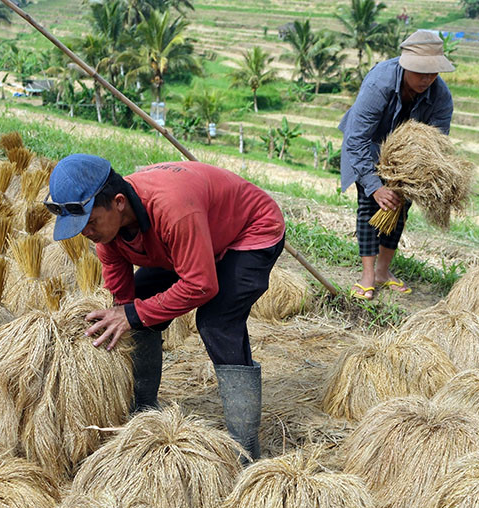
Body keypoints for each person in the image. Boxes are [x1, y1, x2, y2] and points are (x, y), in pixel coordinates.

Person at [45, 155, 286, 462]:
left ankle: (245, 446)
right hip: (195, 237)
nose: (87, 233)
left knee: (217, 321)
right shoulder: (109, 236)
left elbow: (201, 285)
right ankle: (143, 409)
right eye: (81, 226)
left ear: (118, 202)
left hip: (250, 230)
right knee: (137, 309)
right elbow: (125, 303)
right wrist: (126, 316)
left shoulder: (172, 209)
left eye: (91, 222)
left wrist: (132, 314)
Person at [338, 29, 455, 300]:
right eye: (421, 72)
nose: (427, 79)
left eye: (432, 72)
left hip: (410, 158)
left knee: (399, 206)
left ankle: (383, 270)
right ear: (406, 65)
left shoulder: (441, 97)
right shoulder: (379, 83)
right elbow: (356, 140)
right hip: (368, 145)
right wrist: (375, 186)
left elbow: (435, 146)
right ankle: (368, 275)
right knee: (370, 202)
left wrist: (413, 180)